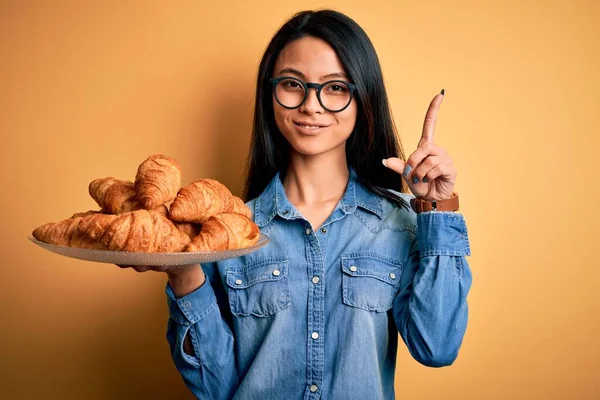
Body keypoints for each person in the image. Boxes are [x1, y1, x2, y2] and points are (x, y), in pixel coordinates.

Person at [127, 9, 472, 400]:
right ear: (269, 95)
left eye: (336, 87)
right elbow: (216, 388)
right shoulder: (228, 232)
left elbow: (437, 347)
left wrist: (438, 209)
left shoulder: (401, 224)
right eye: (292, 84)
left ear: (363, 99)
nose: (311, 105)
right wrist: (184, 274)